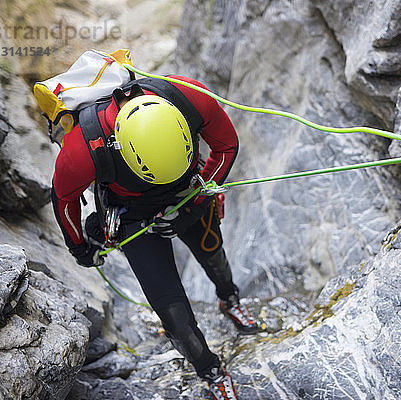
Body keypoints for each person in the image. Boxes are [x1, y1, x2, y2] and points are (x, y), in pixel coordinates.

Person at [50, 75, 259, 400]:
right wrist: (80, 247)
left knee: (214, 257)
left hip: (189, 191)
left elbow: (226, 146)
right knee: (174, 316)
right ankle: (211, 371)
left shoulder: (188, 96)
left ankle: (229, 299)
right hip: (134, 218)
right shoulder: (84, 148)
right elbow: (63, 199)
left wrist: (197, 198)